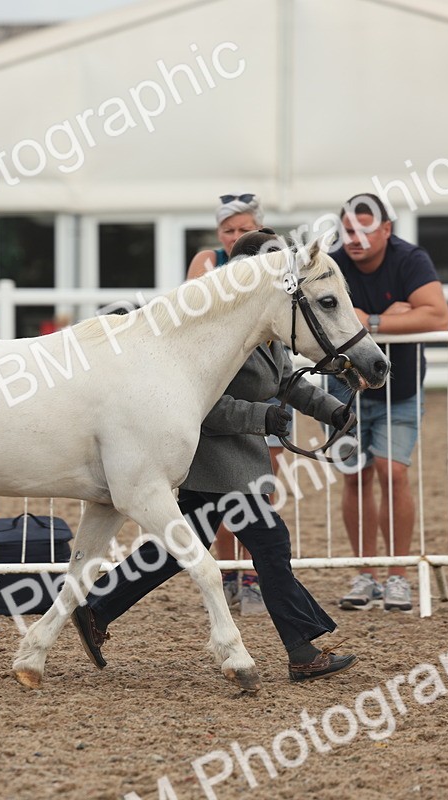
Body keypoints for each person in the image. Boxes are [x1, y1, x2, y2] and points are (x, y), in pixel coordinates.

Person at [72, 229, 360, 683]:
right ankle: (302, 650)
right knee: (270, 544)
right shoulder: (217, 330)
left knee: (176, 550)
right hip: (218, 463)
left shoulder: (267, 324)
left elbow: (286, 382)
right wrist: (262, 419)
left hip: (237, 464)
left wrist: (332, 409)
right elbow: (205, 408)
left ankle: (97, 610)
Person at [327, 193, 448, 612]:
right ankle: (366, 572)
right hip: (343, 390)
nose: (355, 239)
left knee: (392, 473)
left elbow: (437, 317)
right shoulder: (331, 264)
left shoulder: (411, 260)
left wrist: (369, 321)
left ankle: (397, 575)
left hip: (402, 388)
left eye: (364, 230)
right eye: (348, 230)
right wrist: (398, 316)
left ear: (386, 230)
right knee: (354, 477)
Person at [187, 194, 281, 616]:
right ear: (218, 234)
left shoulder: (272, 263)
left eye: (244, 230)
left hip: (266, 384)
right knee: (223, 484)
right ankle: (229, 572)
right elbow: (195, 298)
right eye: (228, 230)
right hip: (222, 389)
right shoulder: (210, 263)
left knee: (261, 483)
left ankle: (254, 576)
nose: (236, 237)